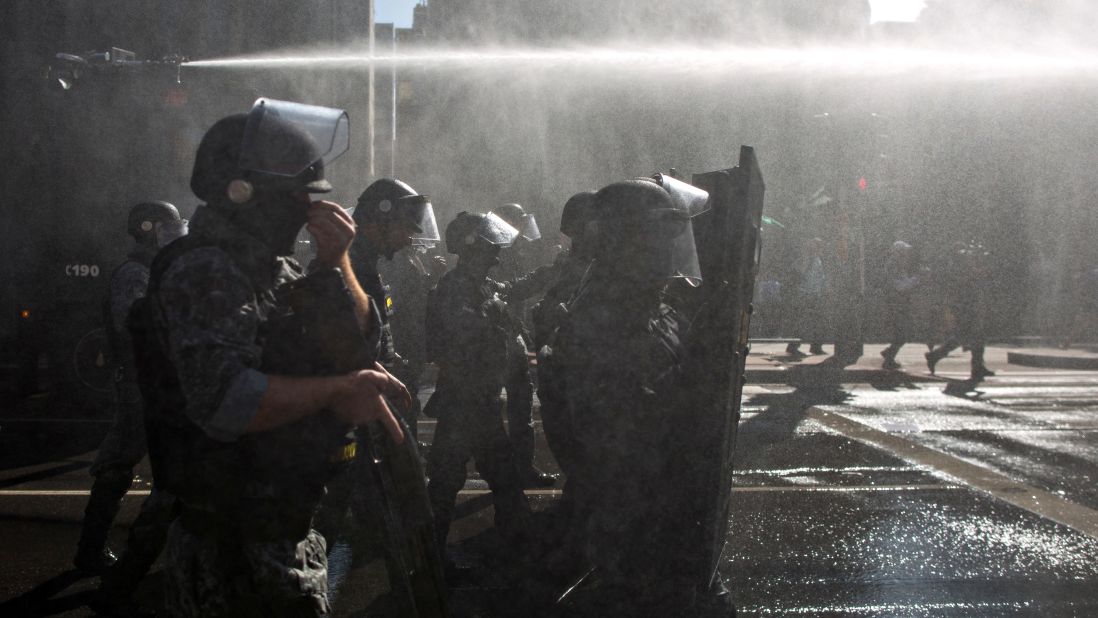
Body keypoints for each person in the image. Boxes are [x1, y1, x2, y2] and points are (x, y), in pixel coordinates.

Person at [133, 98, 408, 617]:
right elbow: (226, 402)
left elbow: (358, 344)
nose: (309, 207)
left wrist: (335, 261)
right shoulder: (208, 269)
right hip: (231, 544)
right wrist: (335, 391)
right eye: (298, 195)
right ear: (245, 193)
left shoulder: (270, 268)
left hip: (279, 525)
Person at [538, 177, 713, 615]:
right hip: (635, 519)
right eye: (656, 237)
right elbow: (615, 437)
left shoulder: (647, 305)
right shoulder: (602, 320)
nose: (666, 251)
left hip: (662, 514)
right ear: (625, 242)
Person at [73, 201, 186, 576]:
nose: (173, 235)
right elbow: (140, 327)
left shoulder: (153, 270)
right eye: (167, 229)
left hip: (154, 383)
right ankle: (95, 556)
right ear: (148, 229)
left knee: (166, 468)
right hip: (141, 385)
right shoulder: (134, 274)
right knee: (120, 464)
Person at [424, 211, 533, 560]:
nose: (497, 255)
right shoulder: (455, 287)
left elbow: (513, 291)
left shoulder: (478, 284)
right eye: (490, 248)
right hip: (463, 399)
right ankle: (428, 561)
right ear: (473, 249)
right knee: (446, 483)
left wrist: (558, 271)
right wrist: (493, 316)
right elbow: (460, 334)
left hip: (478, 398)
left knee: (498, 475)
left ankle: (514, 543)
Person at [489, 203, 558, 487]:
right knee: (489, 410)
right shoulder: (492, 253)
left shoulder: (513, 254)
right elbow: (508, 292)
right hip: (493, 341)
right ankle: (500, 468)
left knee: (521, 406)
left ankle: (521, 467)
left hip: (512, 339)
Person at [926, 240, 995, 380]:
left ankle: (976, 367)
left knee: (970, 336)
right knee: (969, 336)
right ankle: (975, 367)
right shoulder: (960, 269)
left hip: (967, 305)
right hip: (964, 306)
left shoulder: (964, 268)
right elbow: (967, 283)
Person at [880, 240, 925, 370]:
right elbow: (900, 286)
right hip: (896, 305)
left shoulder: (898, 266)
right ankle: (889, 357)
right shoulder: (893, 266)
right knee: (902, 332)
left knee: (901, 332)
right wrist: (917, 279)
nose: (906, 255)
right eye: (904, 252)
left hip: (899, 304)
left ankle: (889, 353)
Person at [785, 237, 828, 356]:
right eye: (818, 246)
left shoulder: (818, 260)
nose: (821, 249)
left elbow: (820, 278)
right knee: (803, 321)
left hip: (814, 294)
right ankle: (794, 346)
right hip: (805, 294)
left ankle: (815, 346)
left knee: (815, 321)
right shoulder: (806, 259)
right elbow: (798, 273)